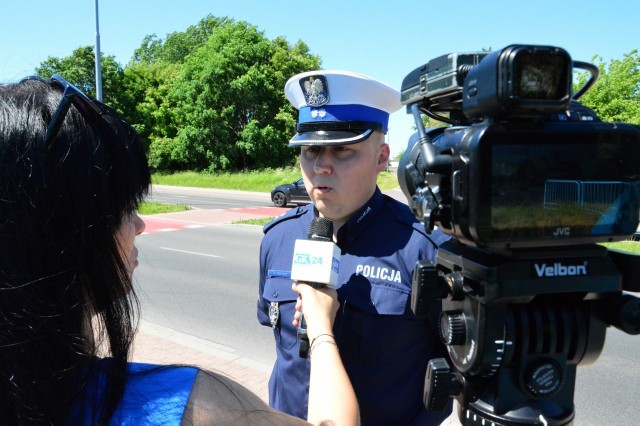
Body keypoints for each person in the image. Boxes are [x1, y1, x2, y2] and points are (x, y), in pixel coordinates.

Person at [0, 75, 358, 425]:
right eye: (124, 208)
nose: (139, 225)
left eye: (343, 149)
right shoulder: (192, 405)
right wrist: (322, 328)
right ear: (67, 235)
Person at [257, 70, 453, 425]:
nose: (321, 166)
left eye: (343, 150)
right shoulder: (278, 238)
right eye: (311, 149)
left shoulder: (424, 249)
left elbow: (454, 369)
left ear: (381, 158)